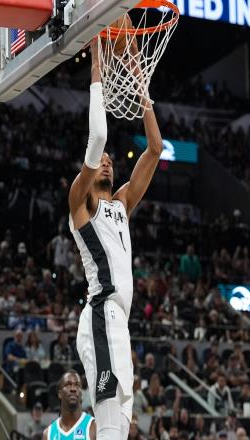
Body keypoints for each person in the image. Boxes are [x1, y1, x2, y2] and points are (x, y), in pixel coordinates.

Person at [71, 38, 164, 440]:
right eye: (101, 161)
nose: (107, 161)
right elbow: (97, 139)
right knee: (110, 425)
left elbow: (155, 148)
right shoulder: (81, 202)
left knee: (119, 428)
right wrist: (97, 65)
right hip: (102, 313)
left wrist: (139, 77)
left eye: (111, 160)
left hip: (118, 323)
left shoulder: (122, 203)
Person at [42, 371, 96, 440]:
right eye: (68, 385)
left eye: (77, 385)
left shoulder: (94, 427)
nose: (73, 389)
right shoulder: (48, 434)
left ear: (81, 393)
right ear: (60, 393)